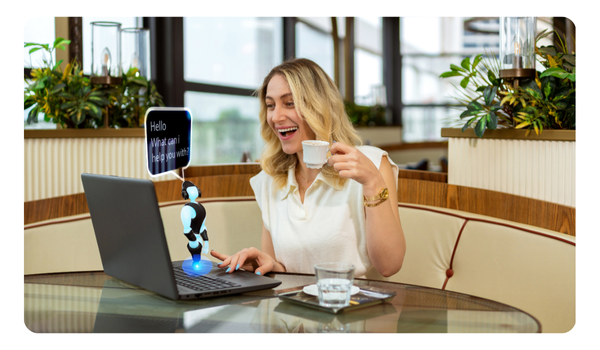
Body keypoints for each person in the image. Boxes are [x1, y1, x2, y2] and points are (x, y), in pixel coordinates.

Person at [211, 58, 405, 279]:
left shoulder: (371, 164)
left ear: (319, 107)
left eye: (289, 103)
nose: (276, 117)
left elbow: (390, 265)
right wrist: (269, 266)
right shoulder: (269, 181)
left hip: (349, 306)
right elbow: (284, 274)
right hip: (291, 310)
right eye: (271, 105)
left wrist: (372, 183)